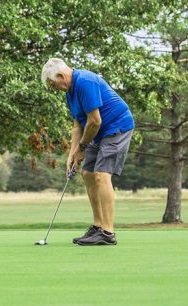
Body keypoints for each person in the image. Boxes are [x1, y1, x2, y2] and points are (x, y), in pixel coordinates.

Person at [41, 58, 135, 245]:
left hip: (116, 127)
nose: (54, 89)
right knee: (87, 173)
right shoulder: (70, 93)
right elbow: (78, 126)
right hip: (97, 133)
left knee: (101, 174)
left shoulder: (85, 82)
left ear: (61, 76)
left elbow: (95, 121)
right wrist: (72, 154)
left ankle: (108, 233)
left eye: (53, 85)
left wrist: (82, 148)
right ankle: (98, 226)